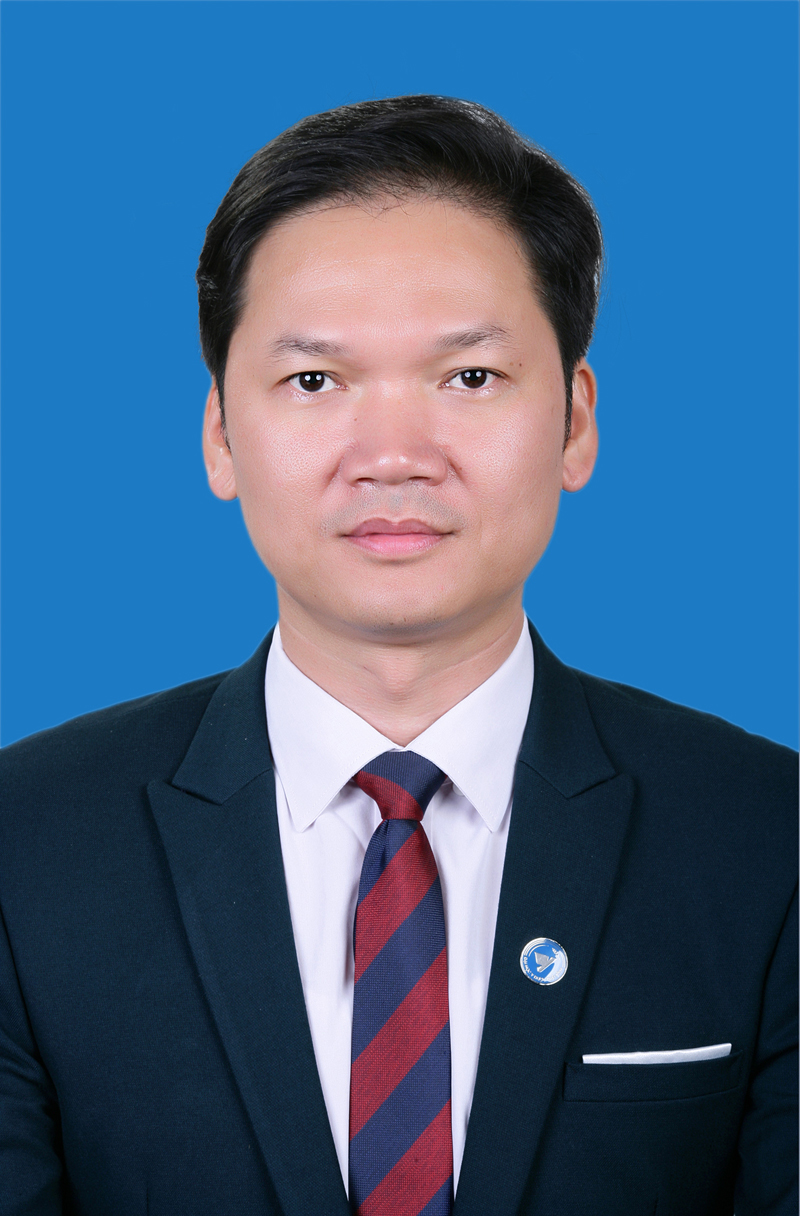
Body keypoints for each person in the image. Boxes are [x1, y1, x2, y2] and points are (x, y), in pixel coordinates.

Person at [0, 96, 795, 1216]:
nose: (392, 457)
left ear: (574, 422)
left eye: (468, 377)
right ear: (220, 434)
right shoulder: (26, 843)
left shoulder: (766, 836)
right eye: (314, 381)